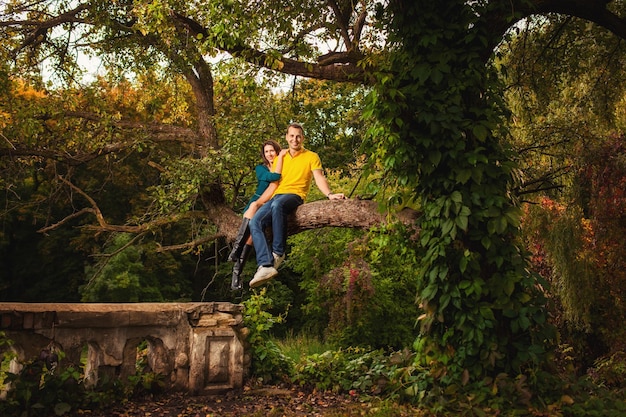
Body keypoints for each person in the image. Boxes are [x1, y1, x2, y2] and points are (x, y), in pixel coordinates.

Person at [248, 123, 345, 288]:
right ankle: (265, 265)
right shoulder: (280, 158)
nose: (295, 139)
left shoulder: (311, 156)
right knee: (255, 222)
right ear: (286, 137)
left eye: (298, 136)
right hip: (277, 196)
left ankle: (278, 252)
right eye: (292, 136)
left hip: (295, 196)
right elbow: (274, 183)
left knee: (278, 205)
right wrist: (258, 203)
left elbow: (319, 177)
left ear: (303, 138)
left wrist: (329, 194)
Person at [228, 140, 287, 290]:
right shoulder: (260, 168)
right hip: (257, 201)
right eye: (266, 152)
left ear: (277, 151)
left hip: (270, 204)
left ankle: (236, 267)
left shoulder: (283, 165)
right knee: (250, 231)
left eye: (272, 151)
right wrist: (258, 203)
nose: (269, 154)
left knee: (250, 239)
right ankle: (235, 258)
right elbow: (274, 178)